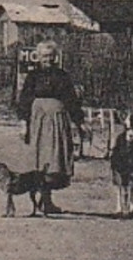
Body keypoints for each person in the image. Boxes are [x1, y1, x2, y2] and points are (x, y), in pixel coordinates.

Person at [16, 40, 85, 215]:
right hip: (38, 121)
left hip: (58, 122)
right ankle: (42, 201)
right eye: (44, 56)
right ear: (38, 57)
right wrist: (23, 123)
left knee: (54, 160)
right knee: (40, 159)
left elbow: (71, 100)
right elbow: (24, 100)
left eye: (50, 56)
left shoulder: (62, 76)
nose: (48, 59)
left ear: (56, 57)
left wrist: (80, 122)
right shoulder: (33, 76)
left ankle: (47, 201)